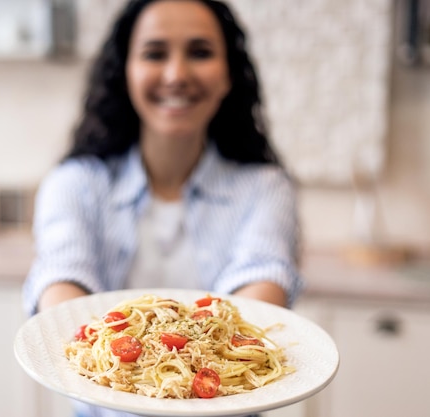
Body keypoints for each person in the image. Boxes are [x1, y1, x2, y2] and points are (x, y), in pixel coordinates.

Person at [23, 0, 303, 416]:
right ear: (126, 73)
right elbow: (63, 272)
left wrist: (205, 361)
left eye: (201, 52)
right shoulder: (75, 183)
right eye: (155, 54)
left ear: (229, 74)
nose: (176, 74)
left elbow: (263, 275)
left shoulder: (266, 188)